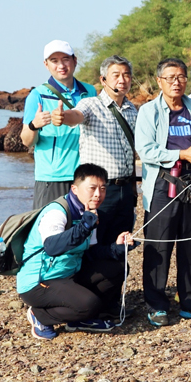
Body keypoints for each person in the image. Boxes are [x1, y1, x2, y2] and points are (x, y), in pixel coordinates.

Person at [134, 58, 191, 326]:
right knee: (159, 244)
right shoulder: (149, 111)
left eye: (181, 76)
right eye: (170, 77)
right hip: (163, 181)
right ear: (159, 81)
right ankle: (157, 304)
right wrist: (180, 153)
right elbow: (145, 150)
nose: (176, 82)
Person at [19, 164, 138, 339]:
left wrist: (117, 247)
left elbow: (93, 252)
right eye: (92, 188)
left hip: (68, 275)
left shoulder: (89, 213)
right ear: (74, 189)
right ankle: (40, 316)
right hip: (39, 282)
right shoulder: (57, 212)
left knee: (118, 267)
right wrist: (84, 226)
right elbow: (52, 247)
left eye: (103, 188)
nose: (98, 194)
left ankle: (79, 319)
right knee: (89, 304)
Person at [56, 55, 138, 248]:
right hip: (100, 190)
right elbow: (76, 116)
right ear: (103, 80)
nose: (122, 80)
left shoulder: (131, 109)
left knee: (121, 243)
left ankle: (117, 278)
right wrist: (62, 116)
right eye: (116, 75)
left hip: (125, 189)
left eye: (126, 75)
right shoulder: (91, 104)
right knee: (94, 243)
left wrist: (133, 189)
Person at [22, 40, 97, 208]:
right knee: (49, 231)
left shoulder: (90, 91)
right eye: (54, 61)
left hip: (84, 176)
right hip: (52, 178)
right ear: (46, 64)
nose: (61, 65)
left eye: (65, 59)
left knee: (82, 231)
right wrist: (34, 125)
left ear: (75, 61)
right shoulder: (37, 95)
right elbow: (27, 141)